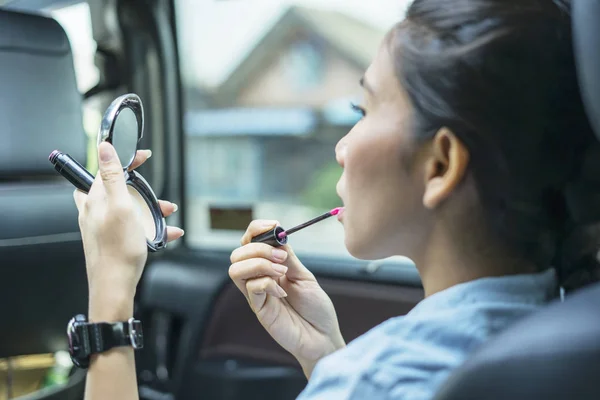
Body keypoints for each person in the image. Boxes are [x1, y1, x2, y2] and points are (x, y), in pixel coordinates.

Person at [75, 0, 600, 399]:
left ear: (440, 165)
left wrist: (110, 294)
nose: (342, 148)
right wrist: (324, 353)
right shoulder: (560, 321)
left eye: (363, 109)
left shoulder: (373, 381)